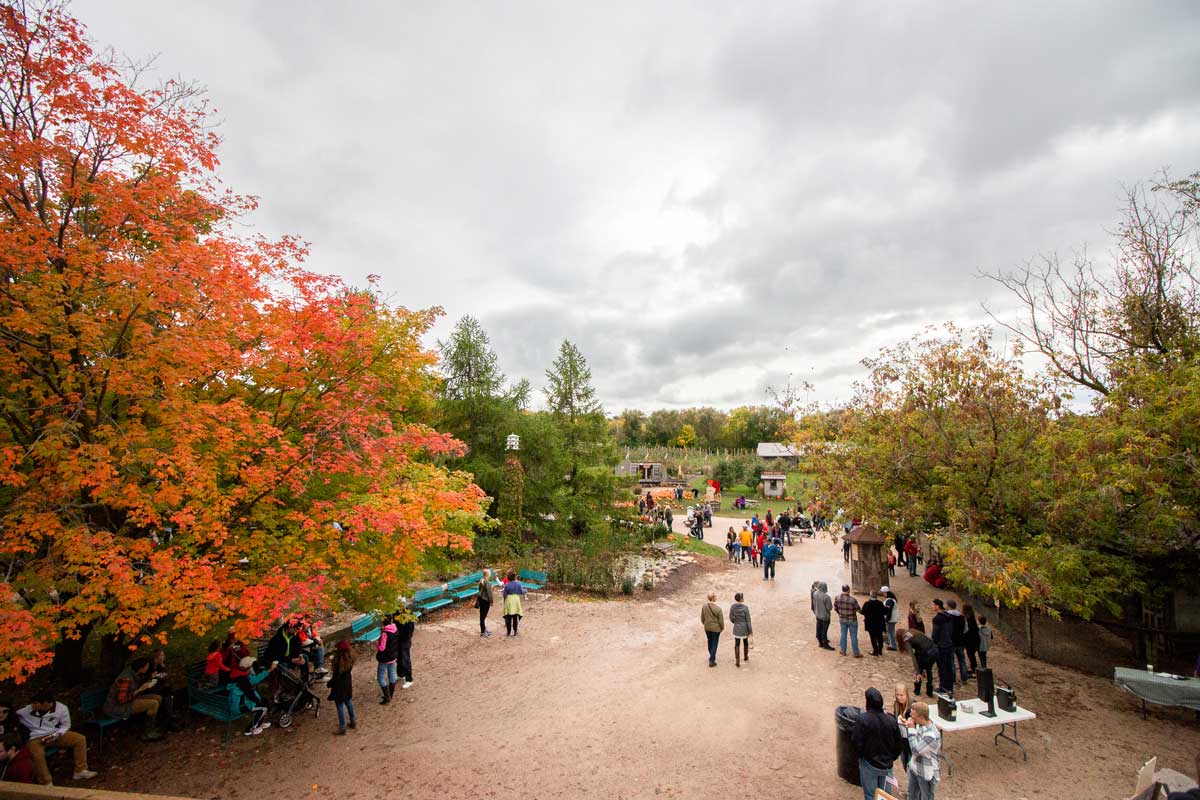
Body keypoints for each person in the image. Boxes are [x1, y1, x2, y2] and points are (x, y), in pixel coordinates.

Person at [17, 692, 97, 785]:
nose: (33, 706)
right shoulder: (26, 711)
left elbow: (66, 725)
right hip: (35, 738)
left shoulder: (61, 708)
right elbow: (12, 715)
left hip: (54, 734)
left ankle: (80, 770)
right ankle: (46, 782)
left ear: (47, 703)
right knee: (37, 754)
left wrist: (56, 735)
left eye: (36, 703)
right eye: (33, 703)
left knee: (80, 739)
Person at [850, 687, 904, 800]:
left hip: (869, 763)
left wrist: (862, 757)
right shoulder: (891, 720)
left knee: (870, 795)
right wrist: (890, 758)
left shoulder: (862, 720)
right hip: (886, 766)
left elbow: (856, 742)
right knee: (884, 795)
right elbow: (899, 745)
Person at [103, 657, 164, 741]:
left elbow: (135, 687)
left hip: (129, 700)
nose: (148, 668)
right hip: (118, 707)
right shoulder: (126, 679)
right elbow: (122, 700)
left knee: (158, 698)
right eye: (147, 666)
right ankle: (147, 732)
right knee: (153, 703)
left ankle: (149, 725)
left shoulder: (134, 673)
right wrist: (140, 690)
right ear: (141, 668)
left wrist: (149, 679)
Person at [903, 701, 942, 800]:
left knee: (925, 797)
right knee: (911, 796)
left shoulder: (931, 735)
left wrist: (911, 730)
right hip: (915, 768)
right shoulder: (920, 724)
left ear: (920, 717)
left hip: (926, 774)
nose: (910, 716)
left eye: (913, 714)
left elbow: (915, 750)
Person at [228, 657, 276, 736]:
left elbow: (254, 680)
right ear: (248, 667)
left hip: (238, 701)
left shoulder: (237, 673)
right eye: (251, 666)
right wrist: (258, 702)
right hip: (239, 706)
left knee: (265, 702)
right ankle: (250, 729)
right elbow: (251, 695)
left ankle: (259, 723)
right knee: (263, 708)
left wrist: (269, 670)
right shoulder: (243, 680)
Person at [264, 618, 309, 683]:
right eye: (296, 629)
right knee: (284, 667)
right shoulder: (277, 638)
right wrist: (291, 660)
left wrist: (299, 656)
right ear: (290, 627)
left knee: (305, 657)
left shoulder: (294, 634)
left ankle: (305, 681)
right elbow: (276, 656)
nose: (296, 631)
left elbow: (298, 646)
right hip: (278, 660)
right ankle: (288, 685)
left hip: (288, 657)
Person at [328, 640, 356, 735]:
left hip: (339, 687)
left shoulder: (338, 663)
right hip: (347, 684)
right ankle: (353, 721)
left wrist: (330, 683)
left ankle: (342, 726)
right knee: (348, 702)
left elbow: (336, 677)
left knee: (339, 705)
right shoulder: (350, 659)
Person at [902, 629, 939, 698]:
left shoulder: (907, 640)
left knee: (919, 671)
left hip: (926, 654)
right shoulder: (917, 633)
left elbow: (913, 658)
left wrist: (917, 670)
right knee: (929, 669)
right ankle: (929, 691)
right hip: (934, 651)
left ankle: (917, 690)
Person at [930, 599, 955, 694]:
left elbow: (935, 634)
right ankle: (949, 687)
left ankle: (943, 686)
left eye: (933, 605)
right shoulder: (949, 616)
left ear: (937, 606)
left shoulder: (938, 619)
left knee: (942, 667)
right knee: (949, 666)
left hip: (941, 645)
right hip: (949, 643)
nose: (932, 607)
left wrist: (934, 643)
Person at [375, 614, 399, 704]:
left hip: (385, 658)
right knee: (392, 674)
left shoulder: (385, 633)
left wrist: (375, 644)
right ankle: (391, 694)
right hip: (393, 656)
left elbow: (381, 648)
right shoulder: (395, 629)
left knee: (380, 677)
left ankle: (387, 696)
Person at [834, 584, 863, 658]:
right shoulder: (852, 600)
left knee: (843, 635)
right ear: (849, 590)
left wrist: (840, 613)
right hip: (852, 619)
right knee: (853, 636)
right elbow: (859, 610)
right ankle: (856, 653)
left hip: (842, 619)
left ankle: (843, 650)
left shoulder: (837, 598)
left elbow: (835, 608)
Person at [893, 682, 914, 770]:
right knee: (905, 765)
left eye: (902, 695)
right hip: (902, 740)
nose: (899, 697)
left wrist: (908, 723)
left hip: (911, 741)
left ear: (906, 695)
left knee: (911, 766)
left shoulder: (912, 707)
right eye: (897, 695)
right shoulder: (896, 705)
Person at [700, 592, 724, 667]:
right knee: (715, 643)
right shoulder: (718, 609)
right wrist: (722, 628)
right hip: (716, 629)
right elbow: (721, 621)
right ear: (713, 598)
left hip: (707, 627)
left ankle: (711, 655)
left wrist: (706, 624)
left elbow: (702, 618)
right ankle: (712, 660)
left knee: (709, 641)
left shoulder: (704, 606)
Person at [729, 593, 752, 668]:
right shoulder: (745, 607)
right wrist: (750, 631)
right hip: (744, 627)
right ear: (741, 599)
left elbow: (731, 617)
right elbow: (748, 620)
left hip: (736, 628)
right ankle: (745, 657)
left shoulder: (732, 607)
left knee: (737, 644)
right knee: (745, 643)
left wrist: (735, 622)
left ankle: (737, 661)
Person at [862, 591, 888, 657]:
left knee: (873, 638)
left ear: (870, 596)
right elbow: (885, 612)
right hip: (879, 623)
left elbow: (863, 612)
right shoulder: (880, 603)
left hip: (871, 624)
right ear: (876, 596)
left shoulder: (867, 603)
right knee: (880, 637)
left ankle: (875, 651)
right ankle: (880, 650)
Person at [947, 600, 968, 682]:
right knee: (962, 660)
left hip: (951, 641)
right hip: (960, 642)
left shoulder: (947, 616)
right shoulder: (962, 617)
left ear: (948, 606)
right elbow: (966, 629)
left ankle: (953, 678)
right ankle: (964, 677)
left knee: (951, 661)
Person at [503, 570, 527, 637]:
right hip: (516, 601)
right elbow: (521, 591)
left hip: (509, 601)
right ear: (515, 576)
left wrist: (505, 602)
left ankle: (508, 632)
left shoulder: (507, 585)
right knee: (515, 617)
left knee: (508, 617)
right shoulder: (518, 583)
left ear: (508, 577)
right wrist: (526, 590)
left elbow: (504, 594)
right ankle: (515, 632)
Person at [396, 610, 415, 689]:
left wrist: (407, 638)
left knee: (405, 659)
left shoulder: (408, 614)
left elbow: (410, 629)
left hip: (404, 640)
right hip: (398, 639)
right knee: (398, 657)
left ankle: (409, 679)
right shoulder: (396, 613)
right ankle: (401, 674)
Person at [812, 581, 834, 650]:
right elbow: (829, 608)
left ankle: (820, 643)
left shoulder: (815, 593)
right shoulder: (826, 597)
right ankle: (825, 645)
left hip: (818, 615)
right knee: (824, 631)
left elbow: (814, 603)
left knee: (818, 629)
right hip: (825, 616)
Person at [476, 568, 495, 637]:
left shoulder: (481, 581)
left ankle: (484, 629)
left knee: (482, 616)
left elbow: (480, 589)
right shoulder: (488, 583)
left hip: (481, 600)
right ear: (488, 574)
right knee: (483, 616)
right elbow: (489, 593)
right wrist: (491, 601)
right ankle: (483, 632)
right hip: (486, 601)